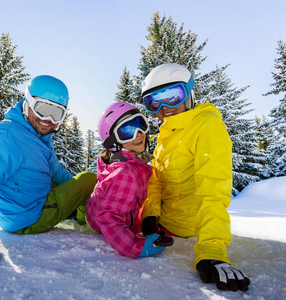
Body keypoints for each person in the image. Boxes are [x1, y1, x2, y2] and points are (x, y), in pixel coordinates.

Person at [0, 75, 97, 275]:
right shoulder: (7, 135)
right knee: (90, 179)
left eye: (57, 114)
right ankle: (94, 218)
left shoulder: (38, 136)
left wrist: (77, 192)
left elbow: (56, 173)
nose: (48, 121)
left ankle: (82, 210)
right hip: (29, 216)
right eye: (43, 109)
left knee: (76, 184)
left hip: (24, 206)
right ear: (28, 103)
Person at [140, 63, 251, 292]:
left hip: (187, 226)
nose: (164, 107)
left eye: (173, 96)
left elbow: (213, 190)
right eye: (154, 102)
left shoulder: (206, 125)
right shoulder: (166, 134)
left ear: (190, 93)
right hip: (164, 224)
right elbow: (157, 180)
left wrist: (212, 250)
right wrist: (150, 215)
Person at [86, 102, 173, 259]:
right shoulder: (125, 173)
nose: (138, 134)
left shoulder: (133, 165)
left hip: (102, 211)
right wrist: (135, 247)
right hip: (100, 223)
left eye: (140, 124)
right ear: (113, 142)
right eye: (127, 132)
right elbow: (108, 218)